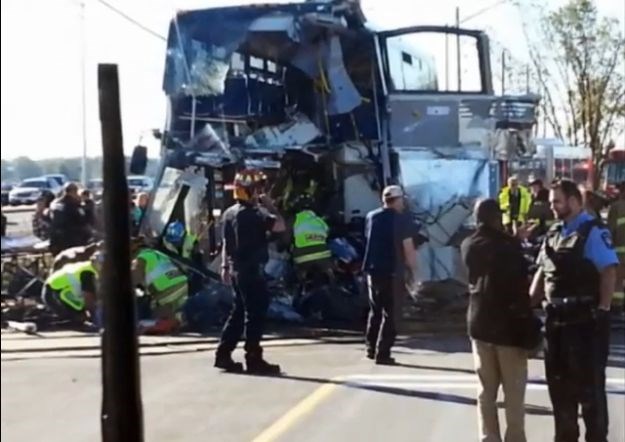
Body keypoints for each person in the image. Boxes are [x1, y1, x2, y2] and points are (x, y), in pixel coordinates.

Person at [530, 179, 618, 442]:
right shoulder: (554, 234)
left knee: (590, 397)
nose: (552, 206)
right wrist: (527, 305)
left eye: (557, 201)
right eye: (551, 202)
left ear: (574, 201)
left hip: (584, 324)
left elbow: (608, 271)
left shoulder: (593, 232)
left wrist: (602, 310)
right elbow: (542, 273)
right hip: (556, 324)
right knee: (560, 394)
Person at [461, 199, 536, 442]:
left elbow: (489, 262)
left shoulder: (468, 245)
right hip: (508, 328)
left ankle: (488, 437)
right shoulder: (508, 247)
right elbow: (518, 287)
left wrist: (513, 240)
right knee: (513, 394)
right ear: (497, 218)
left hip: (479, 323)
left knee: (486, 390)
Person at [215, 168, 286, 374]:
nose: (260, 193)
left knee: (238, 313)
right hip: (252, 272)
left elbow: (227, 242)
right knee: (254, 315)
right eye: (258, 189)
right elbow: (280, 226)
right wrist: (271, 205)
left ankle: (223, 354)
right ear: (250, 190)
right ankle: (254, 358)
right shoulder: (256, 213)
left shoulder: (229, 213)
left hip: (237, 270)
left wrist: (225, 266)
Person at [362, 185, 417, 365]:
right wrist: (414, 271)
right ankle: (383, 352)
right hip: (392, 271)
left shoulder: (371, 217)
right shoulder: (401, 220)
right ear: (398, 200)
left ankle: (370, 348)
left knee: (375, 310)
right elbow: (408, 247)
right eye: (402, 199)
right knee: (391, 314)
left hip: (372, 270)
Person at [132, 247, 188, 334]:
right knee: (174, 309)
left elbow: (134, 280)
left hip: (166, 291)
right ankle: (178, 320)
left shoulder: (140, 259)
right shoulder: (156, 253)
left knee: (155, 311)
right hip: (182, 284)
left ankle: (164, 324)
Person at [42, 256, 100, 328]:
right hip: (54, 293)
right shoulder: (87, 273)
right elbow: (89, 300)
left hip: (59, 290)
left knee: (82, 317)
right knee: (80, 319)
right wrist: (96, 319)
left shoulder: (87, 266)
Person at [48, 182, 90, 255]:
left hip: (56, 243)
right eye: (77, 192)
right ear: (73, 192)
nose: (79, 195)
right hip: (72, 243)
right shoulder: (73, 206)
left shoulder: (55, 204)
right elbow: (82, 225)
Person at [607, 181, 625, 312]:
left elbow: (609, 230)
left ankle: (617, 308)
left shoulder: (616, 207)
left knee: (617, 282)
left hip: (620, 253)